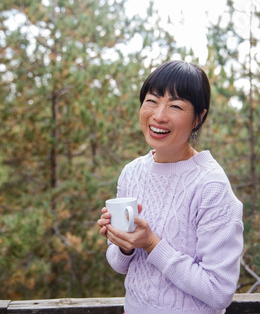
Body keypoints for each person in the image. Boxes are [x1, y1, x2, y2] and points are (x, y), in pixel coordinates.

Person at [97, 60, 244, 314]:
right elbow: (118, 264)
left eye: (175, 105)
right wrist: (124, 244)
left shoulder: (211, 185)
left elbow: (219, 292)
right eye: (152, 101)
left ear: (199, 117)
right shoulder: (131, 173)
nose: (159, 115)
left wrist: (152, 243)